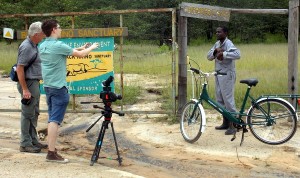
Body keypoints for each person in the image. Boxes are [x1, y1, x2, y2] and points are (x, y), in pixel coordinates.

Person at [40, 19, 99, 163]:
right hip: (59, 87)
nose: (60, 30)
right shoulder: (58, 45)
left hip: (48, 86)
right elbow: (81, 55)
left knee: (51, 118)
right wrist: (92, 47)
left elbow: (68, 51)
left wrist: (80, 47)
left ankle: (51, 149)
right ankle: (51, 152)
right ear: (53, 29)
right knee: (55, 120)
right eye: (59, 27)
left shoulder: (42, 46)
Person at [16, 21, 47, 153]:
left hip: (33, 82)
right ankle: (25, 143)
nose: (44, 35)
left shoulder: (34, 45)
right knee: (28, 114)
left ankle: (33, 140)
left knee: (34, 113)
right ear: (36, 34)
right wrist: (25, 89)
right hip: (28, 83)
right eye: (42, 33)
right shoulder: (27, 47)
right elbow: (20, 68)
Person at [207, 26, 241, 135]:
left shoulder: (228, 43)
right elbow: (208, 57)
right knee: (220, 99)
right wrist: (215, 52)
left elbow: (237, 54)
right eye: (216, 32)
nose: (217, 33)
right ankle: (225, 122)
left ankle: (234, 125)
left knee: (228, 100)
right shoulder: (217, 44)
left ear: (225, 33)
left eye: (219, 32)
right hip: (218, 74)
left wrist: (224, 54)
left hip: (227, 75)